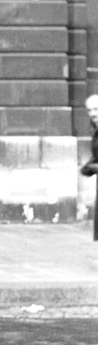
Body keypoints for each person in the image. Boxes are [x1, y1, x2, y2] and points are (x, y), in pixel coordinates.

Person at [80, 93, 98, 240]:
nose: (93, 114)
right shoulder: (95, 128)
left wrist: (93, 168)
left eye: (96, 109)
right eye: (89, 110)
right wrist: (89, 164)